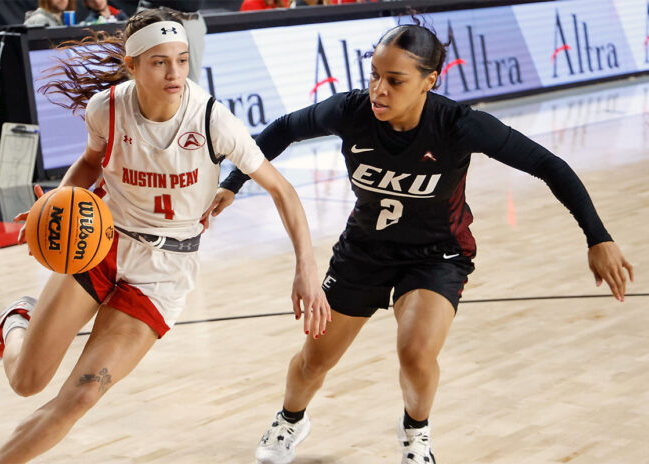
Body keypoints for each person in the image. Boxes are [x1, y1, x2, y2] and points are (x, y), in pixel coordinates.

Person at [205, 21, 635, 464]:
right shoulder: (350, 112)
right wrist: (234, 182)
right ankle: (291, 419)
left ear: (430, 81)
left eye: (395, 81)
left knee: (415, 352)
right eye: (374, 75)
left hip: (437, 255)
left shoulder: (458, 125)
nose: (379, 89)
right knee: (315, 360)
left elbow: (549, 165)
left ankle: (415, 433)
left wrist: (597, 237)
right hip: (363, 252)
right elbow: (282, 129)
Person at [0, 7, 331, 464]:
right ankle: (17, 318)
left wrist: (306, 269)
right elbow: (88, 162)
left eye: (181, 59)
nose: (175, 72)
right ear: (133, 65)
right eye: (160, 62)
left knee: (81, 395)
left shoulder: (212, 121)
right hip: (101, 246)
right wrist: (56, 205)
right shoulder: (107, 108)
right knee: (26, 381)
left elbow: (282, 191)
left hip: (164, 271)